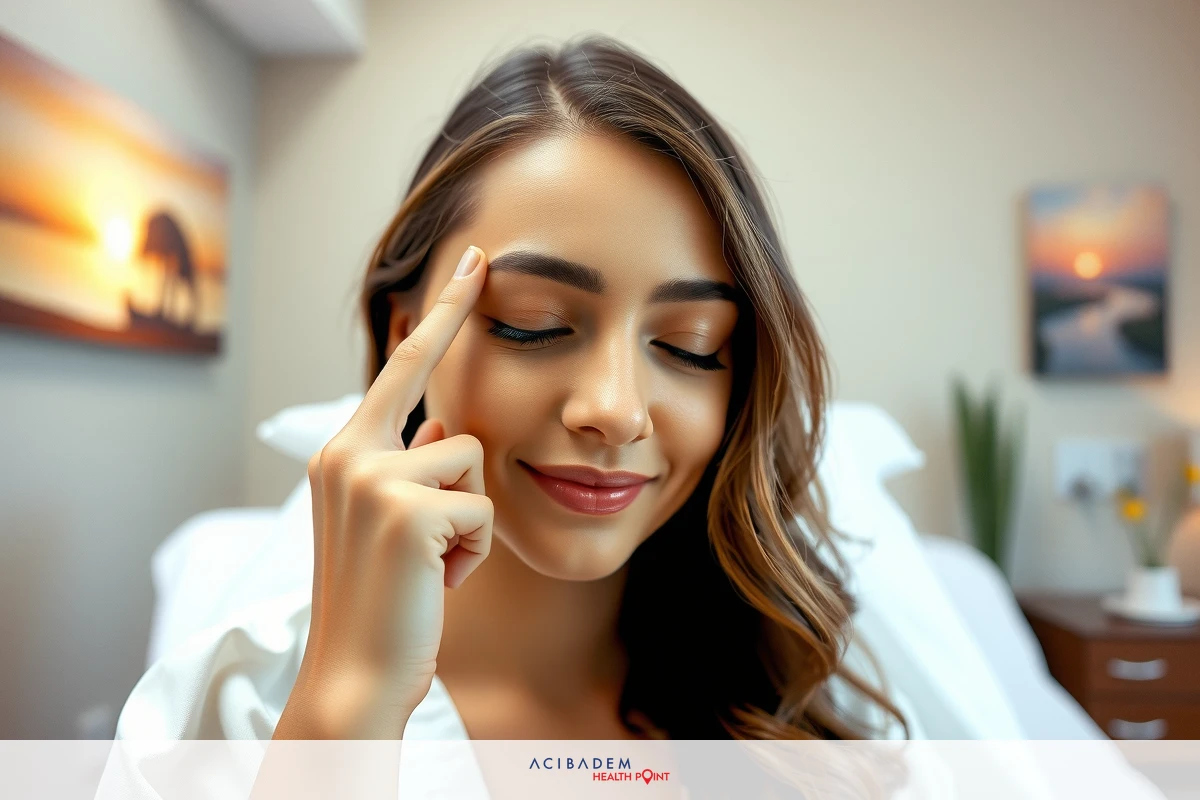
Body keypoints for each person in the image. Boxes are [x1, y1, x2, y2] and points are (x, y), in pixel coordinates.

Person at [115, 34, 910, 748]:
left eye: (689, 344)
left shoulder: (798, 718)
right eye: (532, 325)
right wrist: (345, 708)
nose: (616, 409)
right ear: (405, 334)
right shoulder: (224, 715)